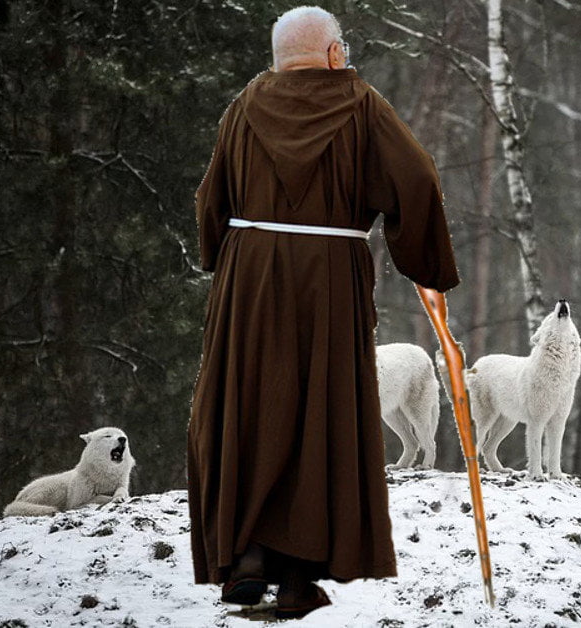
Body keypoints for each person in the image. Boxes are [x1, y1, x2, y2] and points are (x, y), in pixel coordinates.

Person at [186, 6, 459, 619]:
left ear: (280, 56)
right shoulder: (360, 102)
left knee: (251, 405)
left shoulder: (247, 103)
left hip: (249, 276)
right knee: (316, 411)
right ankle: (295, 576)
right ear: (335, 53)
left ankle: (246, 559)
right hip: (328, 276)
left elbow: (212, 197)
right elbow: (415, 179)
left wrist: (222, 258)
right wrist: (428, 266)